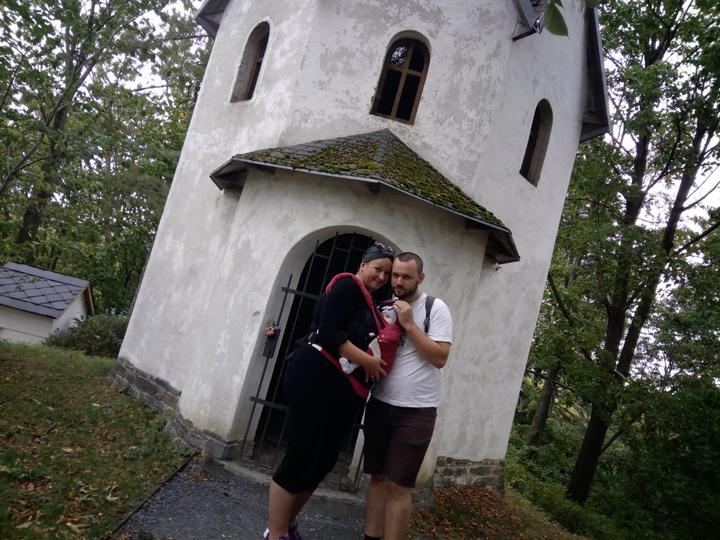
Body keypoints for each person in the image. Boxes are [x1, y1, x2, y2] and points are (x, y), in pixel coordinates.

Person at [264, 242, 395, 540]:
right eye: (378, 269)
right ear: (363, 265)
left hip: (339, 391)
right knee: (301, 456)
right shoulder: (349, 286)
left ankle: (288, 524)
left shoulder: (369, 302)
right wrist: (369, 362)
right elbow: (329, 332)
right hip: (315, 380)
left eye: (387, 273)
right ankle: (276, 533)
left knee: (322, 461)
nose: (382, 277)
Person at [362, 252, 453, 540]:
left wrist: (410, 324)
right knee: (377, 478)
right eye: (395, 275)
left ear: (420, 278)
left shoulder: (435, 308)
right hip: (380, 403)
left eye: (406, 277)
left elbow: (440, 358)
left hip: (416, 411)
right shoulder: (384, 305)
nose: (398, 282)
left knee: (398, 485)